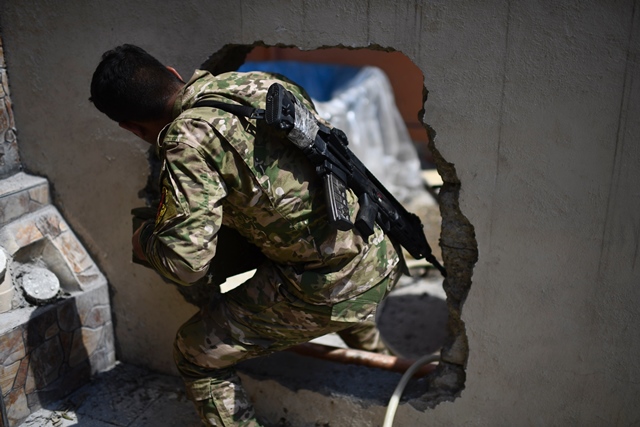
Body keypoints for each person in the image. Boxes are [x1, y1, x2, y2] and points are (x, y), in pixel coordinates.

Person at [90, 44, 404, 426]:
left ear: (132, 129)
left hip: (329, 285)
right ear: (173, 71)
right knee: (336, 285)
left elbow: (186, 264)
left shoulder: (186, 142)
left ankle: (375, 352)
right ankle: (389, 368)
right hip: (375, 245)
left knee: (194, 353)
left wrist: (145, 241)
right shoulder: (259, 83)